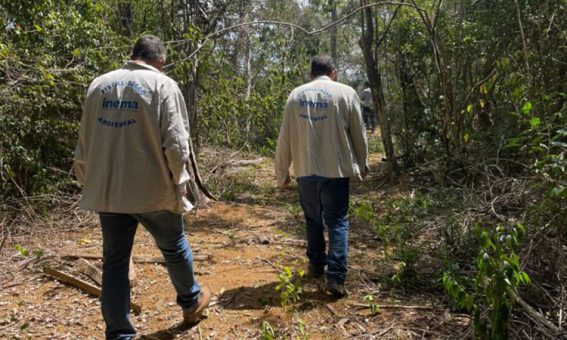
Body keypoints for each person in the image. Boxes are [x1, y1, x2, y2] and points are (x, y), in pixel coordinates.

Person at [74, 35, 210, 339]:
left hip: (109, 190)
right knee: (174, 246)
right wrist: (181, 181)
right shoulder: (163, 85)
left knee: (115, 261)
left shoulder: (99, 85)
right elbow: (176, 143)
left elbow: (84, 141)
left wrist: (87, 180)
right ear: (159, 60)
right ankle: (190, 302)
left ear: (133, 54)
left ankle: (119, 333)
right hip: (153, 188)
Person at [274, 55, 369, 298]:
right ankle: (335, 278)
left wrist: (282, 173)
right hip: (335, 169)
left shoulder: (296, 95)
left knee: (313, 220)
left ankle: (316, 265)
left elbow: (285, 137)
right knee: (337, 221)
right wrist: (363, 163)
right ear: (334, 73)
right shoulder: (346, 93)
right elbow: (359, 132)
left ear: (311, 75)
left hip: (305, 170)